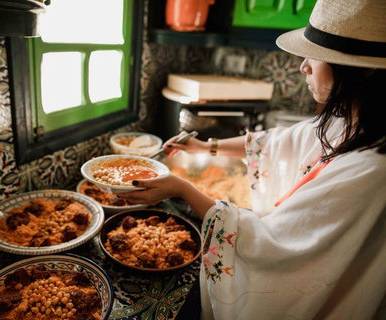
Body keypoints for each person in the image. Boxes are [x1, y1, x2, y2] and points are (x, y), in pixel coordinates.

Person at [118, 0, 386, 319]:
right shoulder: (353, 122)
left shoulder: (371, 170)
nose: (303, 66)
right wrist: (205, 146)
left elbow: (270, 246)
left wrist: (182, 188)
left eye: (317, 56)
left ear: (362, 70)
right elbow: (274, 143)